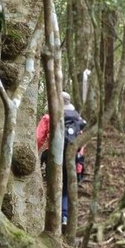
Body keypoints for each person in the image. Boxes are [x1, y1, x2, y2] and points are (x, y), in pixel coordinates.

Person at [36, 92, 86, 226]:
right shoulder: (77, 120)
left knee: (52, 185)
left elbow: (38, 138)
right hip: (72, 158)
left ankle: (50, 217)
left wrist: (35, 152)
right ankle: (64, 217)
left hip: (53, 156)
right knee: (65, 188)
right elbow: (81, 142)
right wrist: (80, 161)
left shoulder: (49, 117)